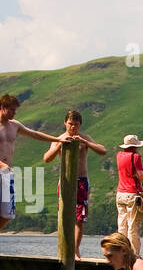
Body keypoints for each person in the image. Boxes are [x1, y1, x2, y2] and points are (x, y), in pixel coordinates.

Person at [0, 93, 68, 255]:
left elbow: (35, 134)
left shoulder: (14, 125)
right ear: (3, 108)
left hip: (6, 172)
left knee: (7, 213)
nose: (14, 113)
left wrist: (58, 140)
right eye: (12, 110)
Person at [42, 109, 107, 259]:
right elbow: (47, 158)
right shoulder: (59, 138)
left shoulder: (84, 138)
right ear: (65, 123)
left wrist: (85, 142)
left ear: (80, 125)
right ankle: (64, 248)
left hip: (82, 180)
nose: (73, 127)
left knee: (80, 217)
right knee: (64, 215)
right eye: (70, 124)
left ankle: (75, 250)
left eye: (76, 125)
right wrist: (59, 145)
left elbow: (102, 151)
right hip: (65, 181)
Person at [114, 134, 143, 255]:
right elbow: (141, 176)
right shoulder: (135, 156)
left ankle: (120, 252)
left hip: (120, 193)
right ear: (135, 146)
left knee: (122, 224)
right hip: (132, 193)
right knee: (133, 225)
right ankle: (134, 254)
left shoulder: (119, 155)